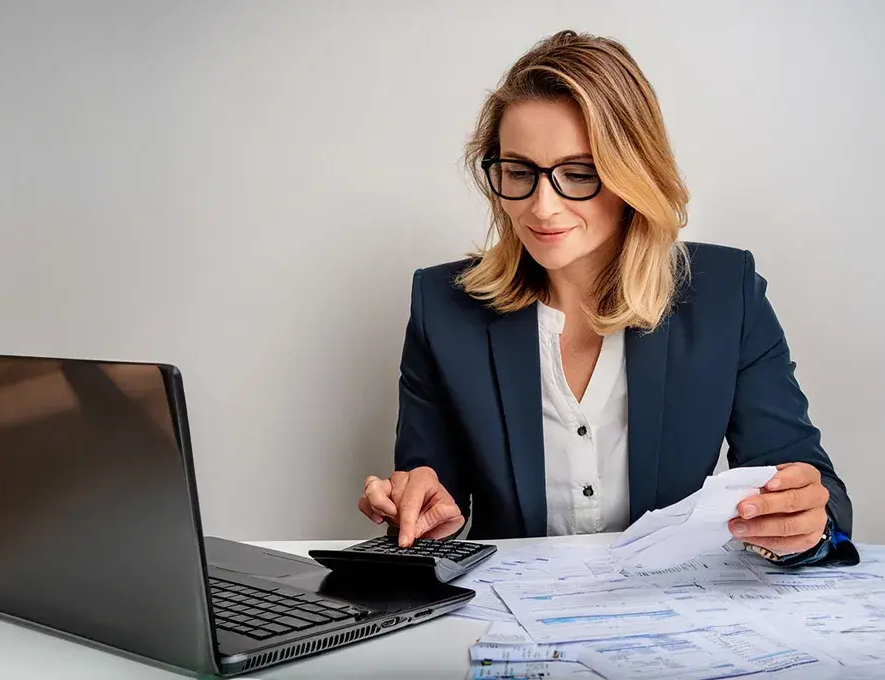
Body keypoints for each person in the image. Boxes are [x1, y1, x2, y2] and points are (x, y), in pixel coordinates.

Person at [358, 30, 858, 567]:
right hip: (513, 621)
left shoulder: (725, 295)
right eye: (519, 172)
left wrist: (805, 523)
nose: (541, 207)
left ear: (632, 176)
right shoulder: (442, 307)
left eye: (578, 174)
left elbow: (810, 486)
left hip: (679, 617)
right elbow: (432, 503)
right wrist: (422, 510)